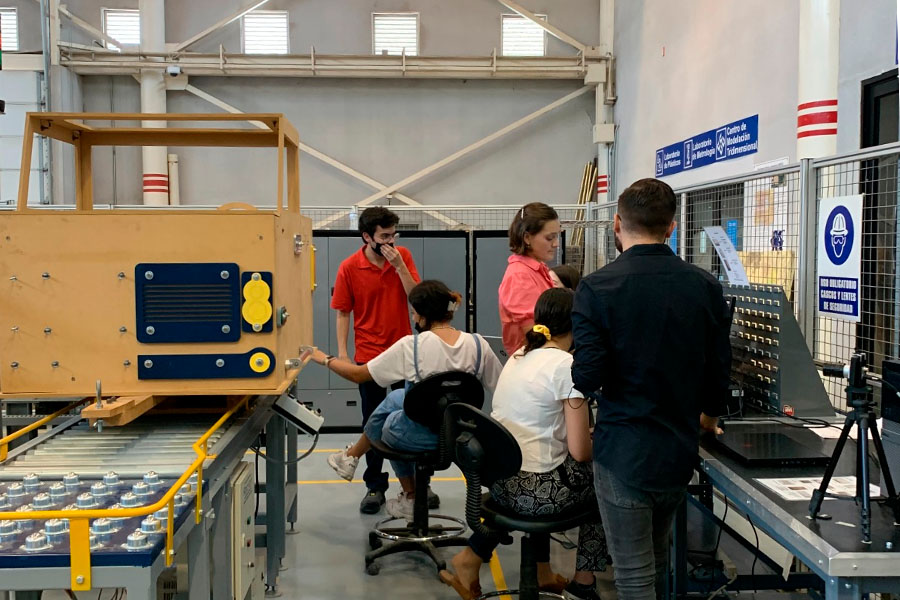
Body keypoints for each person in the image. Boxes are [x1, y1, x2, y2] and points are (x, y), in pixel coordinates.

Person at [571, 178, 731, 600]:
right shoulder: (704, 286)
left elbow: (586, 376)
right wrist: (709, 420)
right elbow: (719, 371)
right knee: (658, 563)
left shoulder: (596, 287)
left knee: (633, 574)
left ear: (617, 224)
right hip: (676, 450)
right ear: (672, 227)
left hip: (623, 449)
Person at [442, 288, 608, 600]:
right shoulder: (565, 367)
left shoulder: (521, 354)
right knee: (604, 485)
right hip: (534, 495)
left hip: (501, 483)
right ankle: (584, 584)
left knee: (548, 460)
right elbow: (581, 451)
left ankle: (496, 563)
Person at [314, 280, 502, 520]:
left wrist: (324, 359)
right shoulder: (478, 344)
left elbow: (359, 375)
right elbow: (502, 388)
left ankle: (410, 495)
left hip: (421, 438)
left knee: (386, 422)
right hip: (461, 435)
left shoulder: (411, 347)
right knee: (397, 397)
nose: (413, 319)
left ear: (423, 316)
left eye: (413, 313)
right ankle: (350, 457)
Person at [331, 206, 421, 514]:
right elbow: (343, 312)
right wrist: (343, 354)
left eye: (393, 234)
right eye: (384, 236)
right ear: (366, 236)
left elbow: (416, 298)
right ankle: (375, 486)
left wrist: (400, 268)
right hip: (369, 356)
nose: (390, 242)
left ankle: (414, 487)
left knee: (410, 419)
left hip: (404, 354)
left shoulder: (403, 257)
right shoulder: (349, 267)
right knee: (373, 421)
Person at [498, 203, 560, 357]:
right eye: (549, 238)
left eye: (557, 236)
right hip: (534, 360)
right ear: (527, 238)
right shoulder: (520, 276)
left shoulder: (537, 269)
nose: (556, 243)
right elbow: (535, 335)